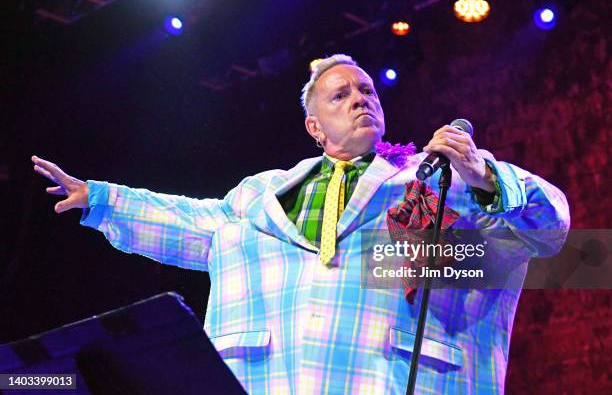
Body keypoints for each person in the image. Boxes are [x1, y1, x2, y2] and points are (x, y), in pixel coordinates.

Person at [32, 54, 569, 394]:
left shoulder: (435, 178)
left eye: (368, 91)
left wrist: (482, 175)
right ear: (315, 125)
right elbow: (189, 221)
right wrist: (102, 200)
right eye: (342, 94)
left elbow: (550, 228)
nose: (361, 98)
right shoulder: (260, 196)